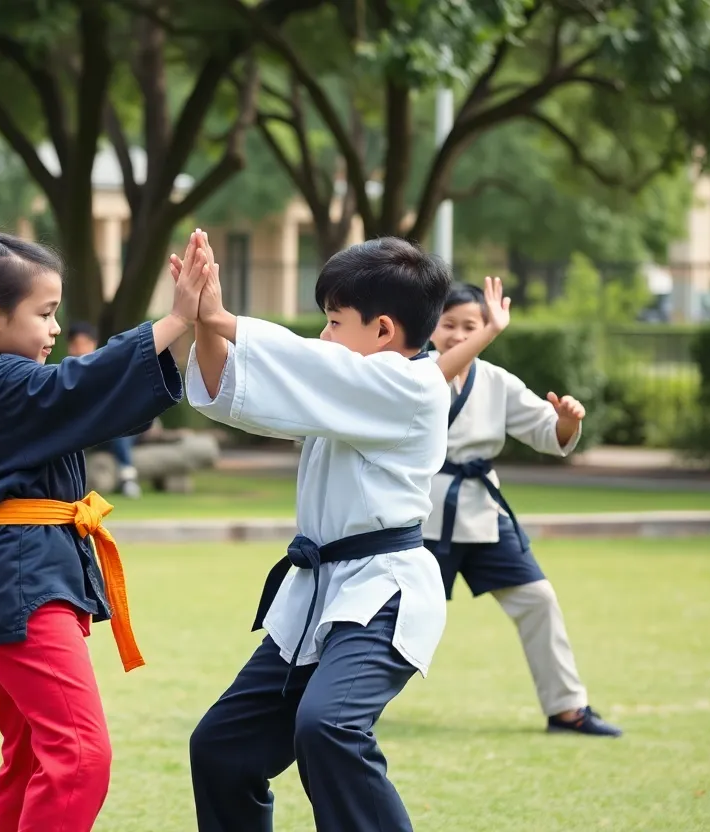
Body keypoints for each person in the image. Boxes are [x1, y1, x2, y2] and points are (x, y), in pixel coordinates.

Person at [0, 229, 201, 832]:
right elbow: (82, 384)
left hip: (9, 569)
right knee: (79, 755)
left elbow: (82, 390)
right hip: (17, 573)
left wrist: (180, 328)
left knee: (34, 751)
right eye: (45, 313)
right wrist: (174, 322)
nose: (56, 329)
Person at [183, 231, 452, 832]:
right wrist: (205, 321)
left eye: (333, 321)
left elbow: (310, 363)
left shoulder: (411, 387)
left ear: (383, 330)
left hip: (383, 592)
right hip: (318, 591)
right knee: (222, 748)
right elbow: (237, 398)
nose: (324, 335)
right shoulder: (347, 391)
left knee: (328, 726)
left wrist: (221, 316)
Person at [423, 281, 622, 737]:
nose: (457, 335)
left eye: (469, 325)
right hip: (422, 515)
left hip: (483, 512)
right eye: (448, 324)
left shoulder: (496, 381)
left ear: (486, 326)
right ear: (431, 326)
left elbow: (548, 432)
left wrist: (567, 422)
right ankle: (338, 708)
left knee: (538, 598)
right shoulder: (414, 372)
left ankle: (568, 708)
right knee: (387, 615)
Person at [67, 321, 142, 498]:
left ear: (93, 344)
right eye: (75, 344)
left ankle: (127, 477)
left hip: (120, 428)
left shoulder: (106, 367)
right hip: (88, 430)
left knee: (119, 425)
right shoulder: (66, 373)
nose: (79, 349)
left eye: (83, 343)